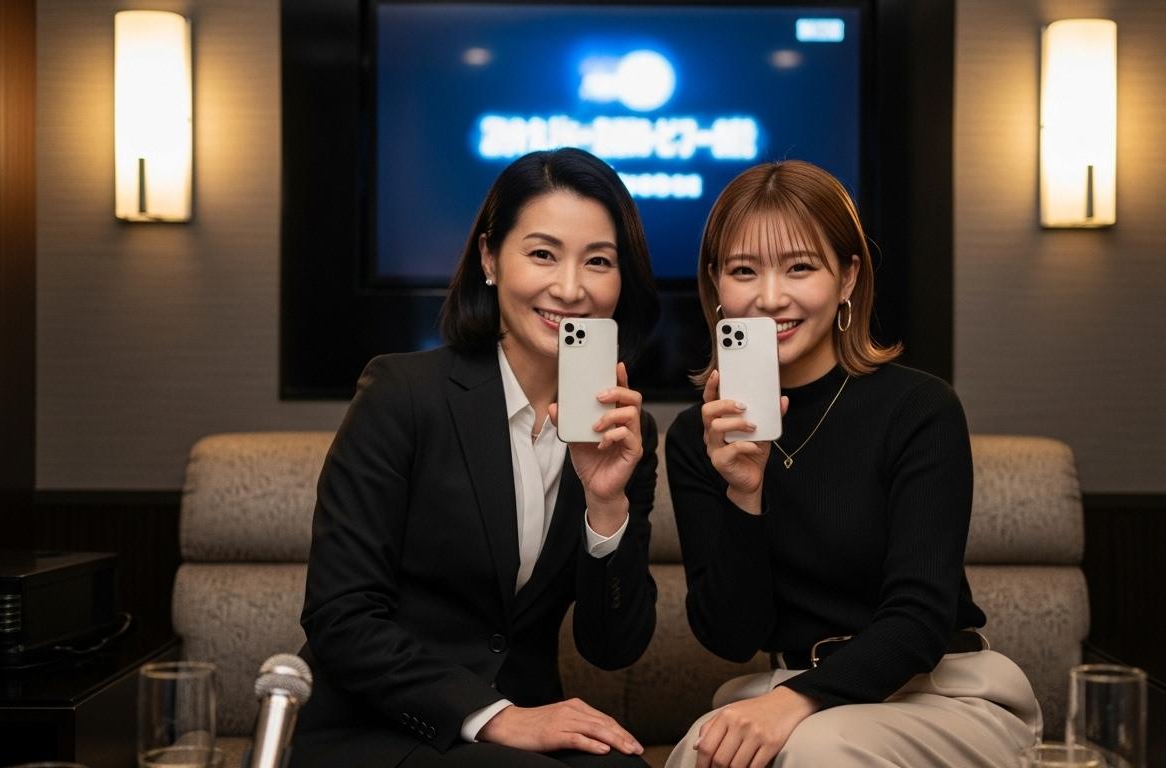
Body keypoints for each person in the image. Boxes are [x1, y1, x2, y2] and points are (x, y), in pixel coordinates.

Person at [664, 160, 1041, 768]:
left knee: (820, 751)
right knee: (701, 754)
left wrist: (797, 702)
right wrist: (744, 494)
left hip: (938, 691)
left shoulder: (918, 408)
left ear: (847, 277)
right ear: (716, 285)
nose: (770, 297)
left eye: (800, 267)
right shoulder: (698, 436)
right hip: (785, 690)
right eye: (743, 270)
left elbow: (919, 620)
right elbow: (730, 637)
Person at [293, 148, 662, 768]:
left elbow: (612, 648)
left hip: (521, 729)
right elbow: (341, 615)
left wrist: (606, 506)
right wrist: (496, 717)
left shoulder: (625, 431)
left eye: (598, 261)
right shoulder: (402, 394)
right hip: (375, 728)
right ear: (490, 259)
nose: (570, 288)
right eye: (542, 254)